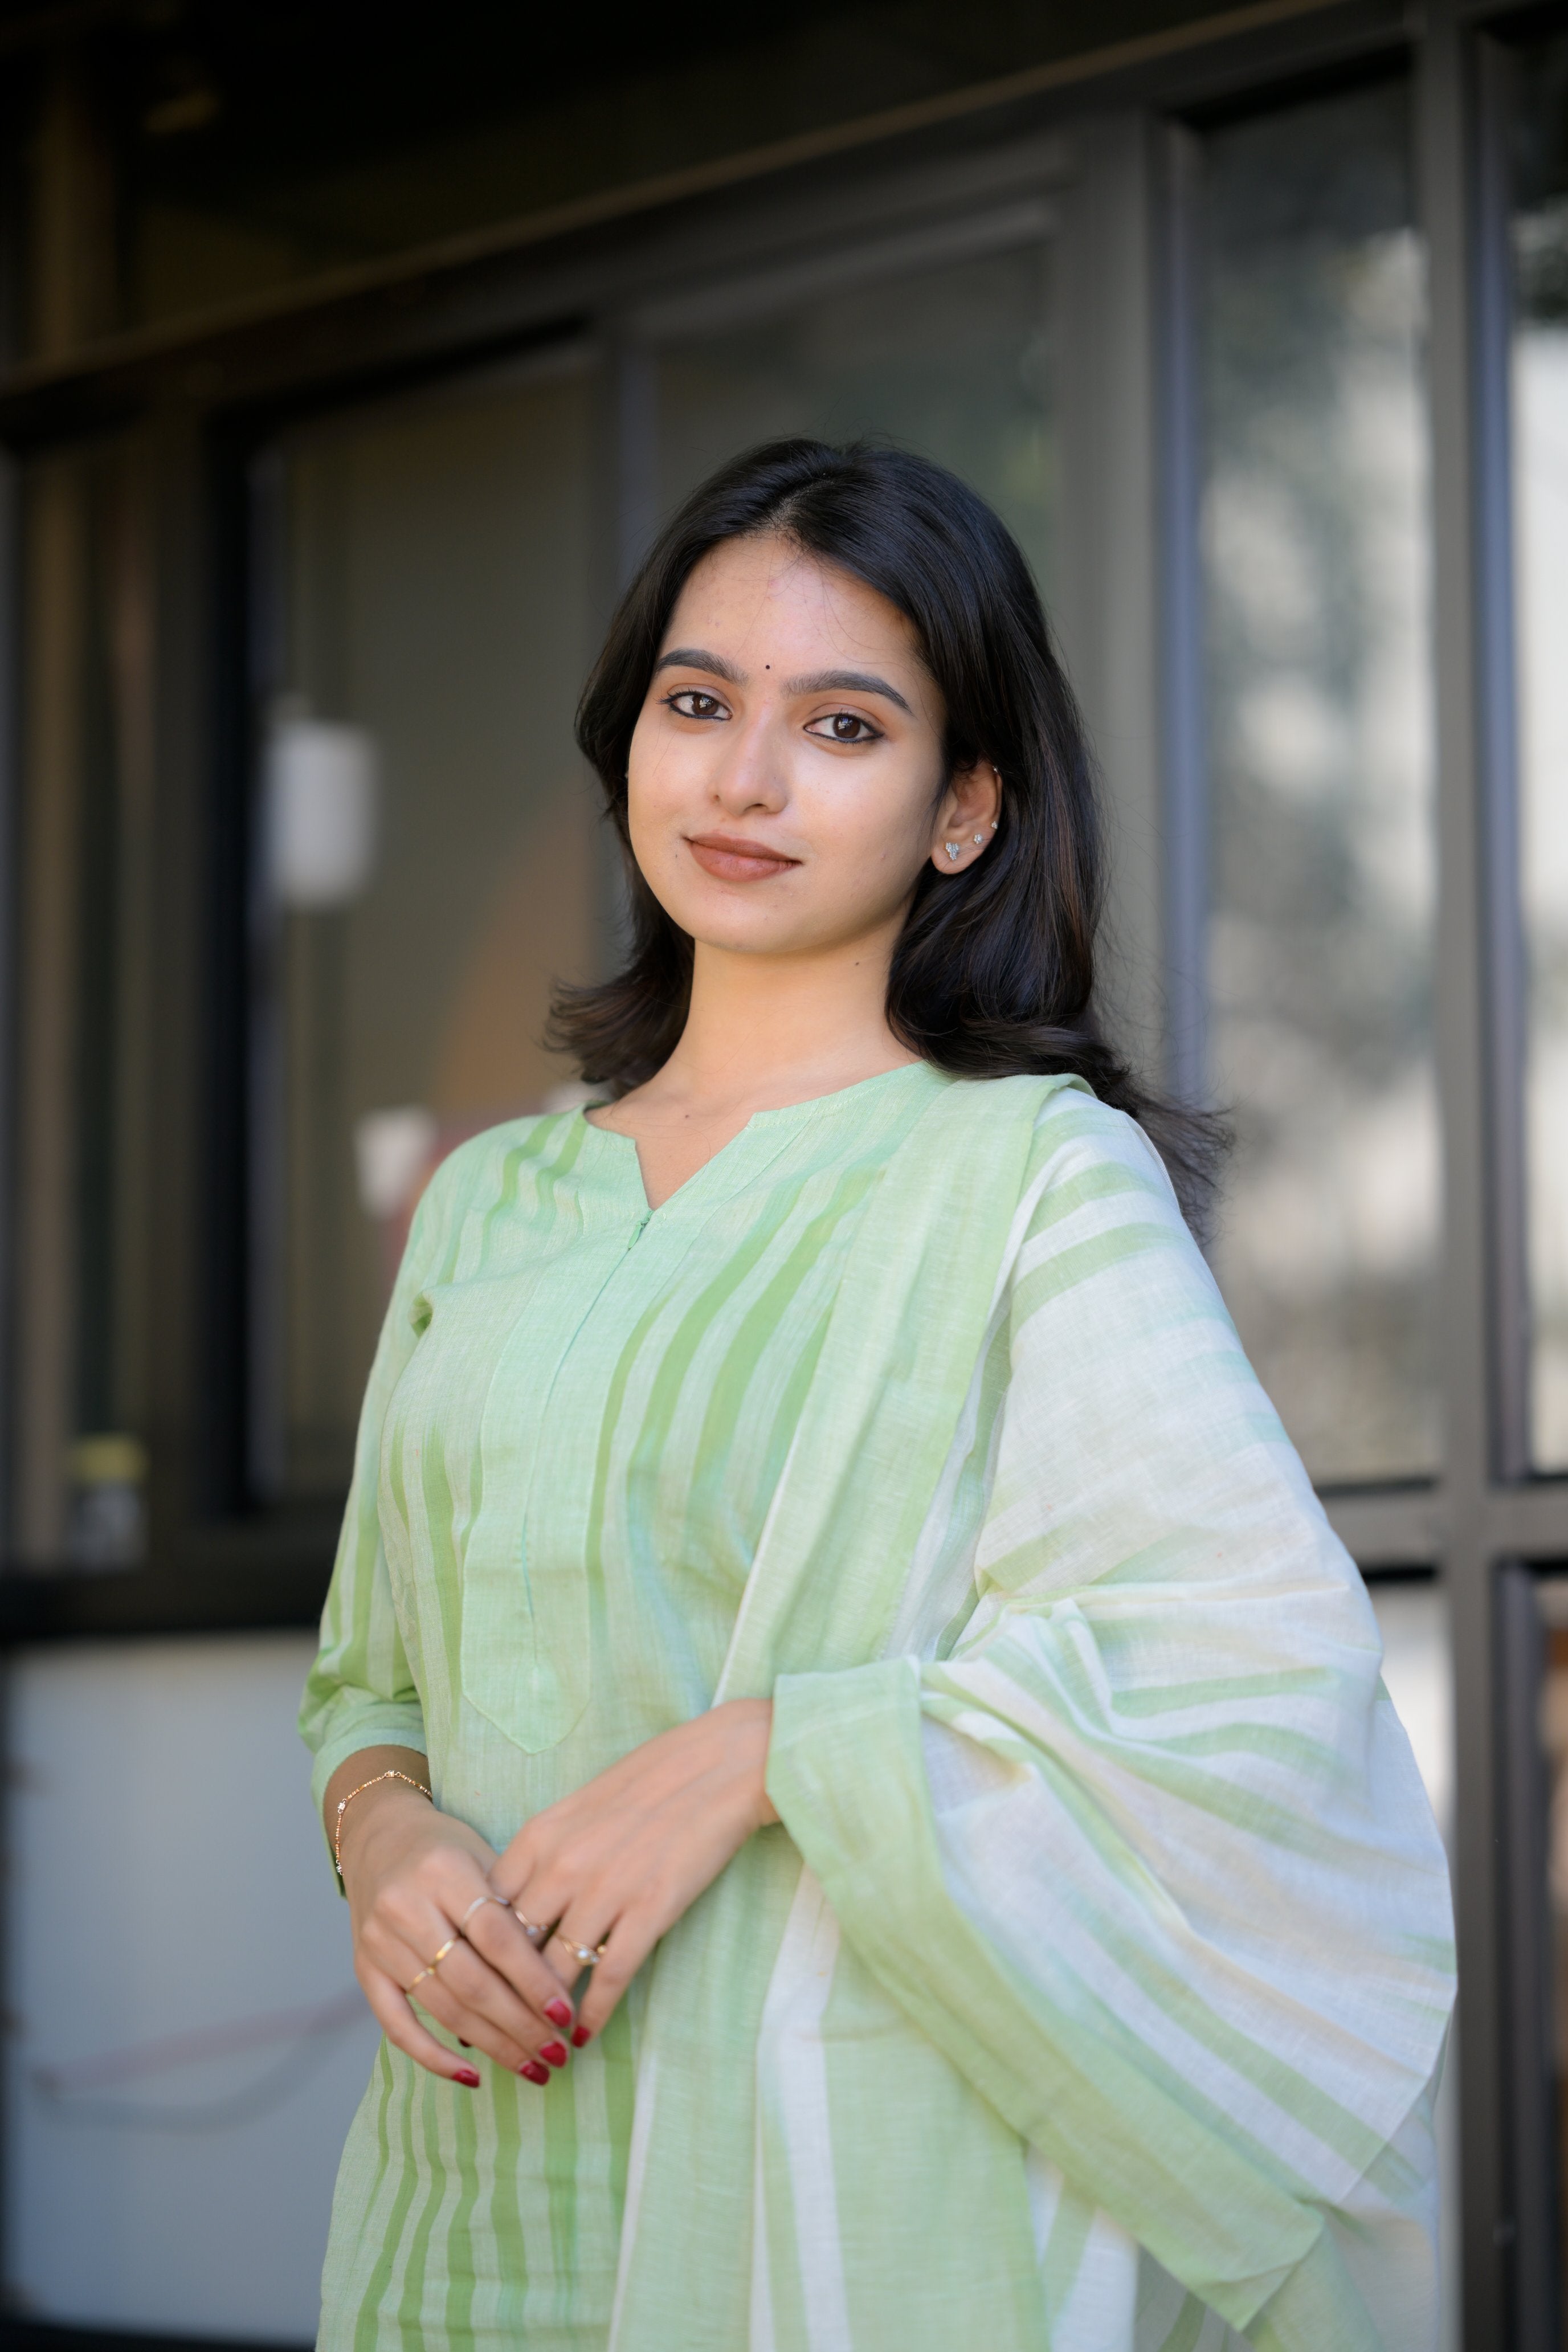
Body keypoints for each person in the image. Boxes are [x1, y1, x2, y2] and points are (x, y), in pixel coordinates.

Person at [301, 438, 1454, 2352]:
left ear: (961, 810)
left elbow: (1246, 1679)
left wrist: (766, 1753)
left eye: (844, 725)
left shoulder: (1025, 1180)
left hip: (843, 2196)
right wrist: (387, 1834)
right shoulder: (489, 1205)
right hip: (470, 2181)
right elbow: (370, 1671)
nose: (745, 779)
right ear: (631, 746)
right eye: (699, 704)